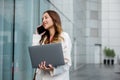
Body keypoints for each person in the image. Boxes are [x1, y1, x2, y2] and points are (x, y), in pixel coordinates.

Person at [32, 10, 72, 80]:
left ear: (54, 19)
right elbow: (35, 56)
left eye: (46, 17)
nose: (43, 20)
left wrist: (52, 69)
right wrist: (37, 35)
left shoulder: (64, 36)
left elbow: (67, 64)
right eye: (42, 19)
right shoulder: (44, 38)